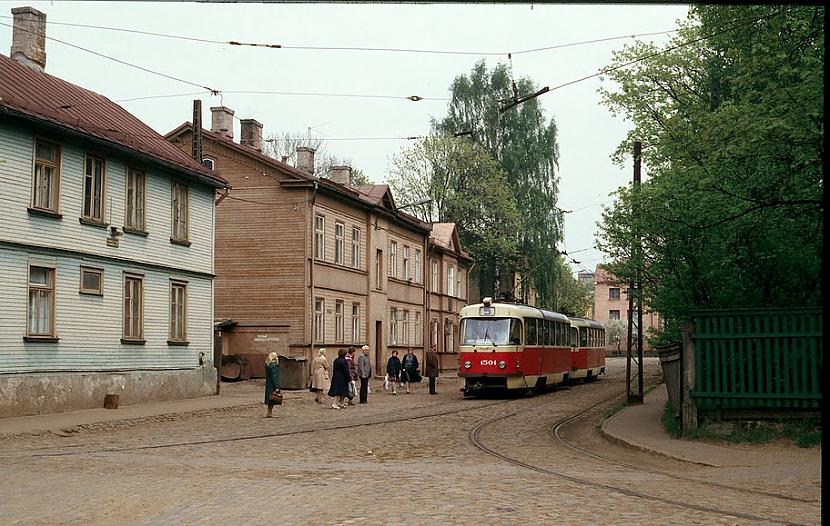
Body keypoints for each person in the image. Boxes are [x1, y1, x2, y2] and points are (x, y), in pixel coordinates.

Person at [264, 352, 281, 418]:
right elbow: (275, 377)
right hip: (273, 384)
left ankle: (269, 412)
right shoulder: (274, 366)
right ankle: (270, 413)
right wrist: (277, 386)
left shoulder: (268, 365)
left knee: (270, 398)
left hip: (268, 383)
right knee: (273, 398)